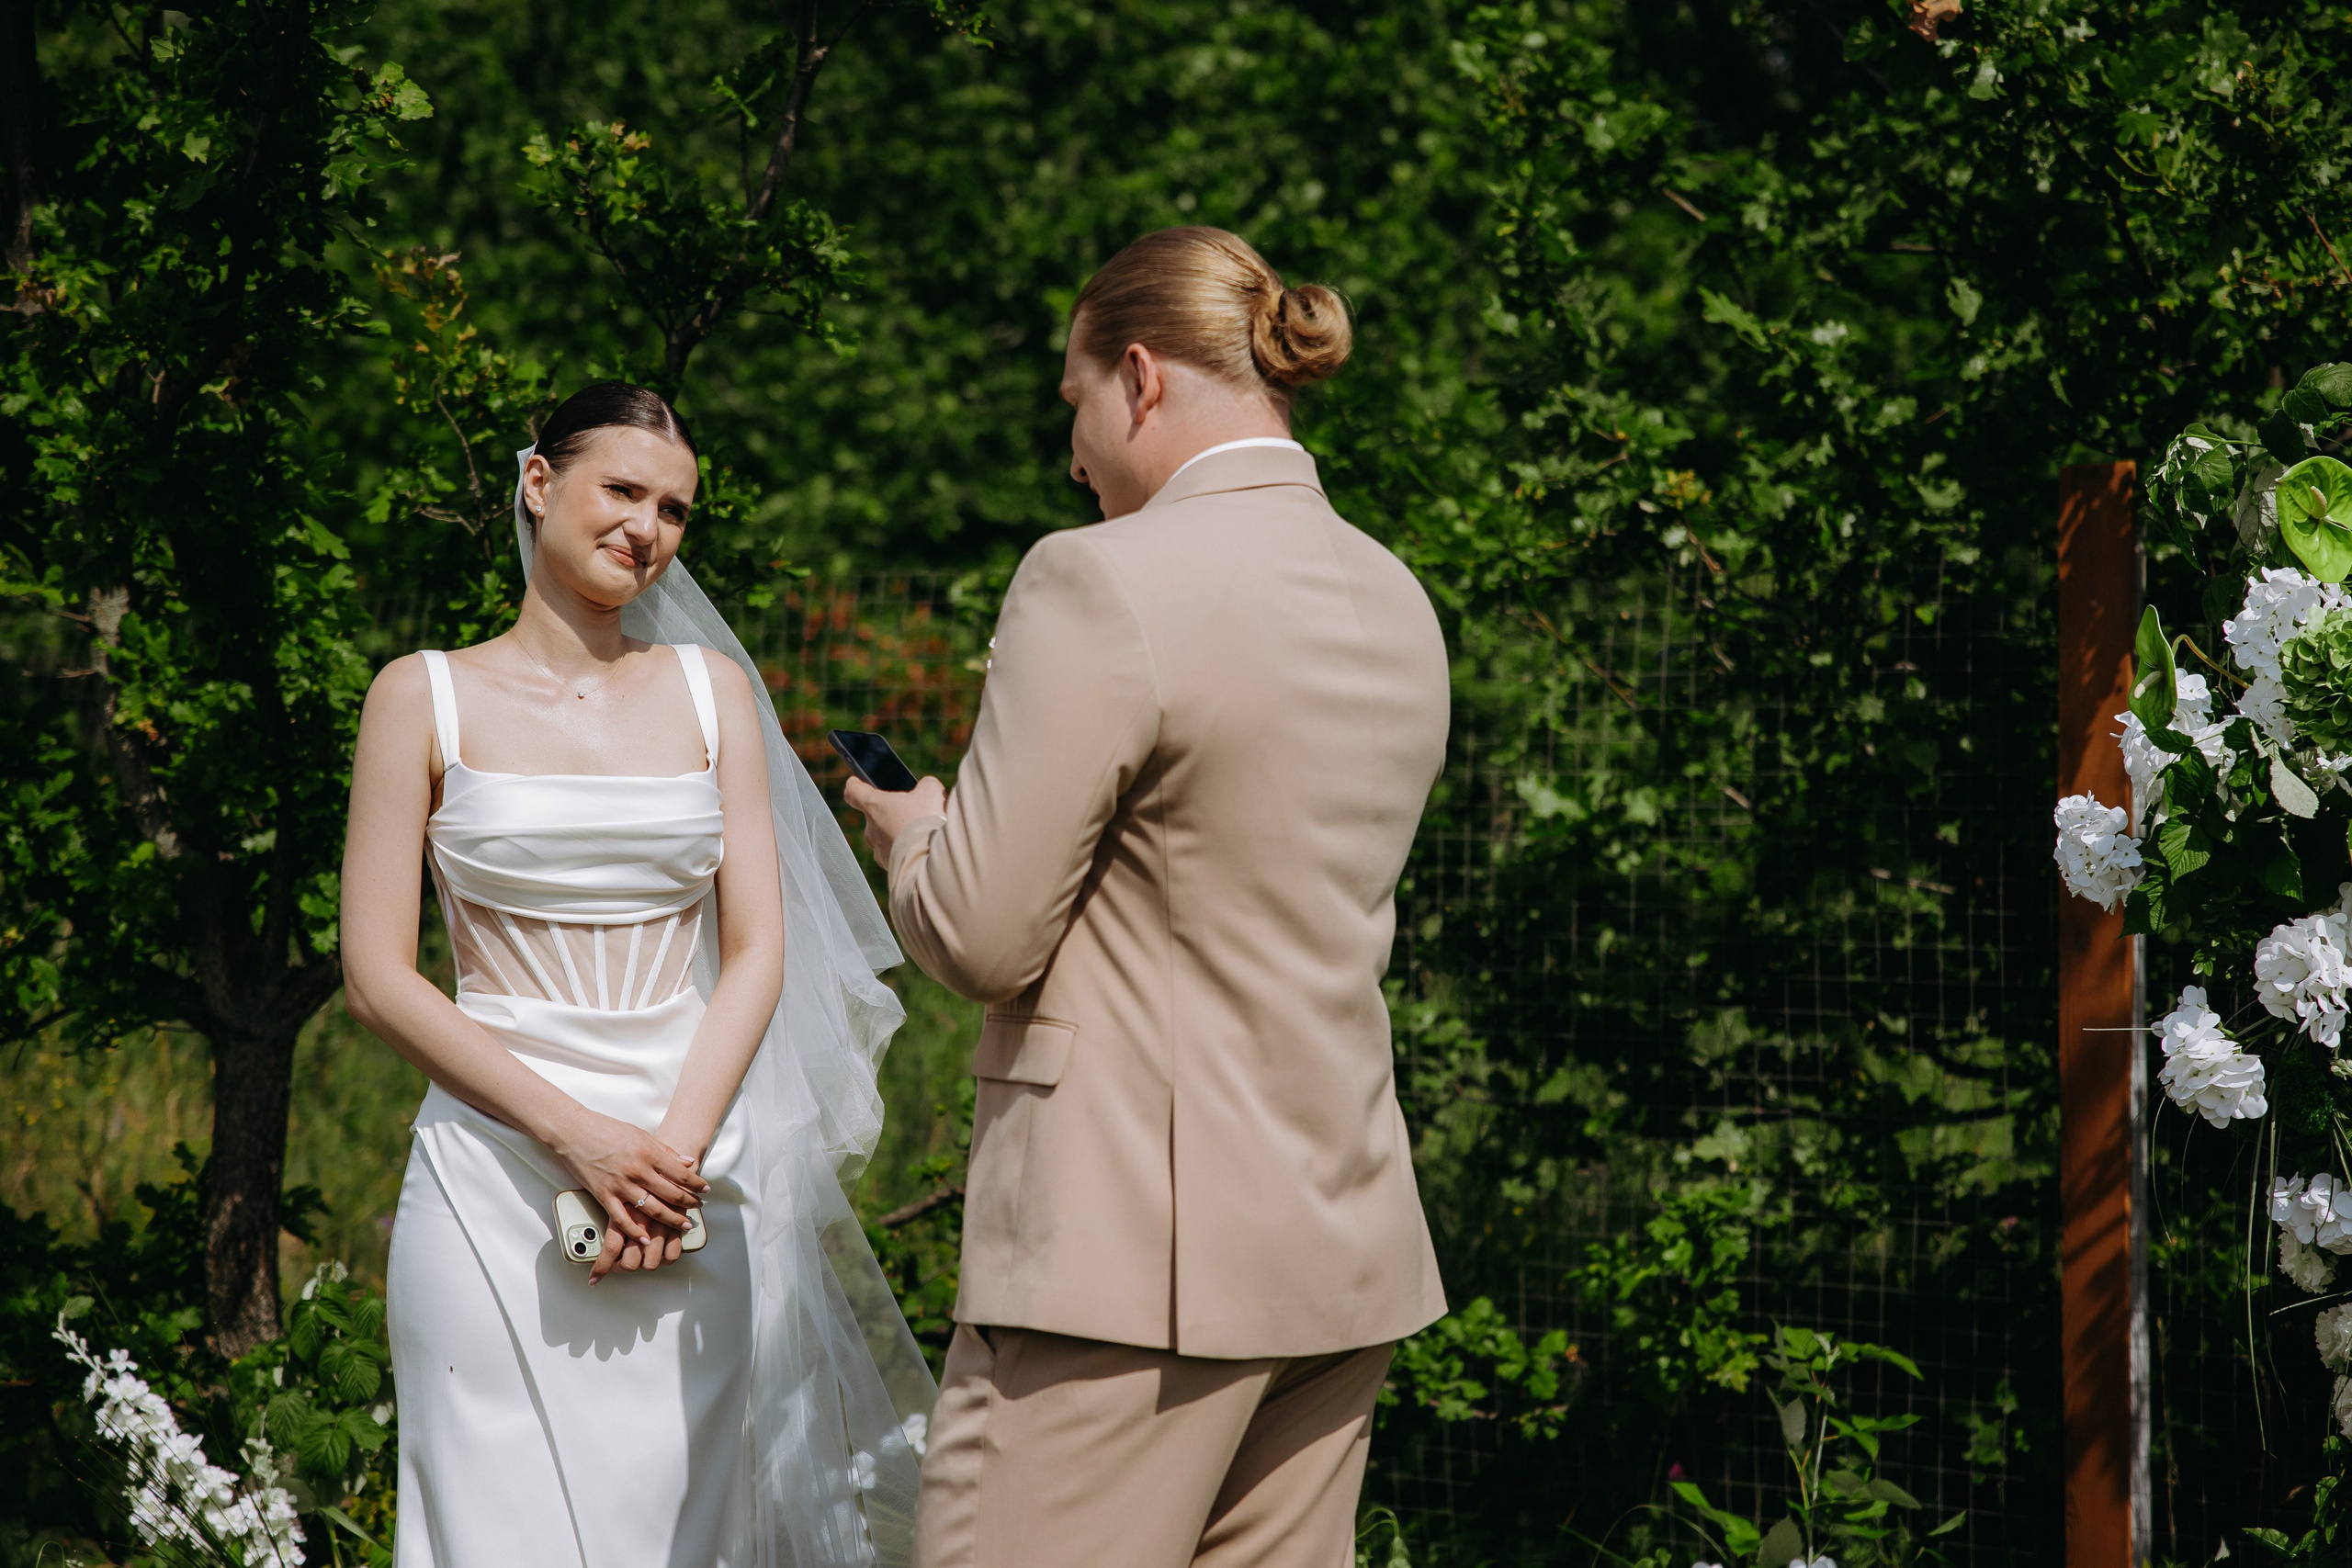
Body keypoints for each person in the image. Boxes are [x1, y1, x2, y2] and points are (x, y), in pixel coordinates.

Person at [847, 227, 1451, 1568]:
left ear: (1139, 377)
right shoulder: (1397, 596)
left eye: (1074, 406)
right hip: (1340, 1252)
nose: (1073, 456)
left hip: (1126, 1266)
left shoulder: (1097, 577)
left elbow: (981, 934)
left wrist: (916, 833)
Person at [342, 382, 933, 1568]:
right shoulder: (422, 695)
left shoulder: (712, 695)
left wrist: (672, 1158)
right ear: (538, 482)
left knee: (679, 1525)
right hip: (494, 1168)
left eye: (673, 509)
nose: (647, 527)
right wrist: (580, 1141)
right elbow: (376, 975)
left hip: (687, 1172)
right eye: (622, 490)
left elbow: (758, 950)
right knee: (484, 1521)